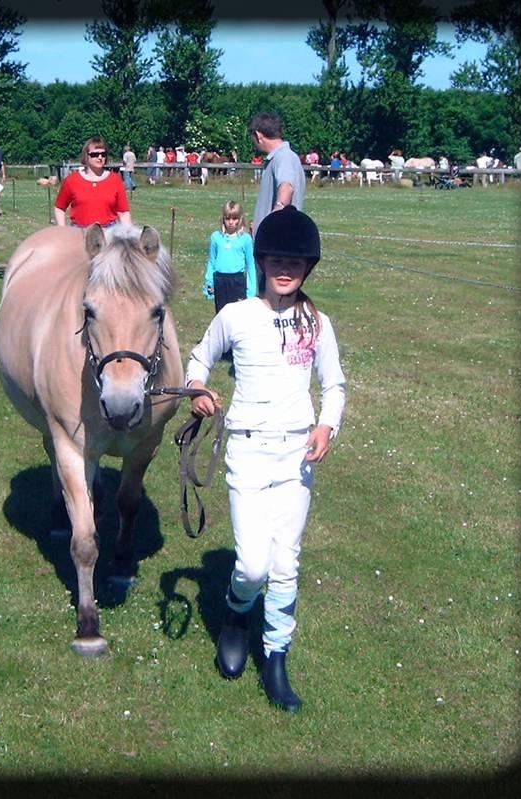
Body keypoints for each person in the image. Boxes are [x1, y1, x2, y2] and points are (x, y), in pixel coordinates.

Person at [186, 206, 345, 712]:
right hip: (249, 451)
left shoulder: (317, 324)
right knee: (253, 564)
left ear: (308, 268)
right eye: (276, 259)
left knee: (285, 561)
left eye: (295, 262)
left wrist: (326, 425)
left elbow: (334, 385)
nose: (285, 269)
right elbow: (199, 357)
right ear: (261, 261)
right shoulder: (236, 316)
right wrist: (197, 388)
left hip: (296, 455)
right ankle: (237, 613)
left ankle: (276, 656)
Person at [248, 112, 306, 237]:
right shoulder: (280, 157)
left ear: (258, 135)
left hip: (277, 242)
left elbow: (286, 187)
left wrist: (275, 218)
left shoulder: (283, 157)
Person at [53, 136, 131, 228]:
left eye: (103, 154)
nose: (100, 157)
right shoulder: (71, 180)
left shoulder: (115, 180)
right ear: (86, 156)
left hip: (108, 231)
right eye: (95, 154)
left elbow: (123, 212)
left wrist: (128, 233)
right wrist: (63, 229)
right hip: (79, 231)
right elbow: (59, 207)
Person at [204, 200, 256, 313]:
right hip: (220, 281)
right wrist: (209, 282)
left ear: (240, 219)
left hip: (237, 281)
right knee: (221, 314)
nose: (231, 222)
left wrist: (251, 290)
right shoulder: (216, 237)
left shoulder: (245, 239)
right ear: (223, 219)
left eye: (234, 218)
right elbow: (212, 261)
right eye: (228, 218)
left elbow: (250, 265)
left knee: (237, 315)